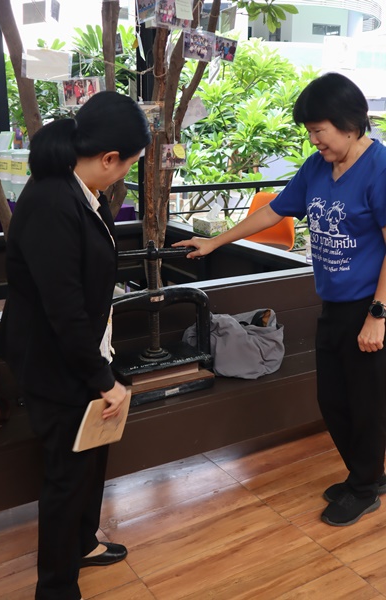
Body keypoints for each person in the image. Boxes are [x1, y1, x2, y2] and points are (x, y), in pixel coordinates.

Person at [174, 72, 386, 528]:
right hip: (333, 303)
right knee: (333, 399)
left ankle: (365, 486)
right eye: (310, 131)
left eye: (319, 130)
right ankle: (366, 474)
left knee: (366, 403)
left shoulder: (380, 169)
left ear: (350, 123)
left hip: (369, 306)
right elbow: (274, 211)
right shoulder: (317, 168)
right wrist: (216, 242)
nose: (314, 140)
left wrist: (378, 314)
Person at [0, 91, 151, 600]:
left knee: (92, 454)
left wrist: (103, 369)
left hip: (84, 352)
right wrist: (103, 381)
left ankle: (83, 542)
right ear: (109, 158)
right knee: (67, 476)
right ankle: (57, 589)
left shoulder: (82, 192)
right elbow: (63, 311)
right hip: (54, 361)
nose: (125, 173)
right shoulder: (52, 203)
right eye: (128, 164)